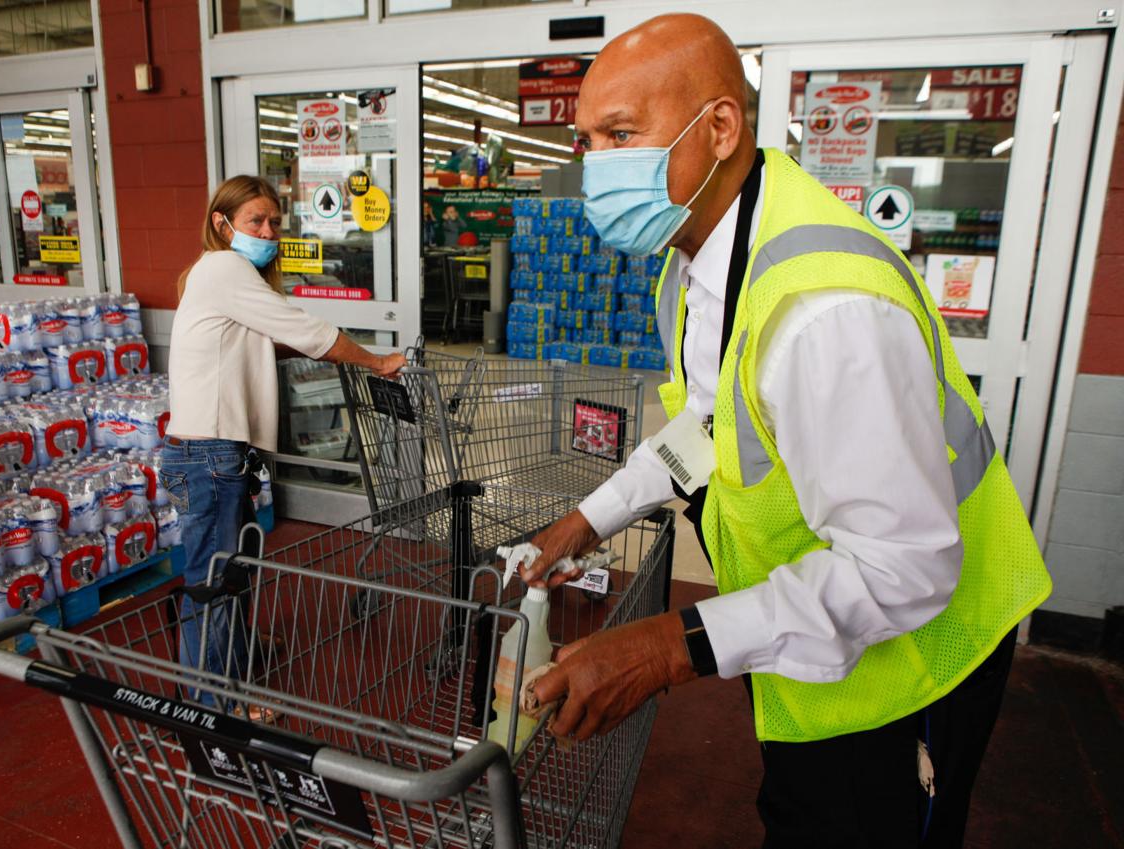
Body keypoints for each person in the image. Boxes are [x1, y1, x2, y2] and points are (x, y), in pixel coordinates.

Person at [519, 14, 1051, 849]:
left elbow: (904, 566)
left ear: (721, 127)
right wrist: (591, 517)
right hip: (815, 639)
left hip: (915, 666)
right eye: (588, 140)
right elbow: (712, 423)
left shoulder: (825, 312)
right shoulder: (697, 260)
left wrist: (668, 646)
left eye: (622, 134)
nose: (597, 168)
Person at [163, 174, 406, 708]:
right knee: (214, 580)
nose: (268, 231)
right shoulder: (225, 267)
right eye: (256, 221)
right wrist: (376, 361)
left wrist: (311, 352)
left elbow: (255, 346)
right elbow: (304, 328)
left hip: (213, 453)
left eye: (274, 222)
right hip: (209, 454)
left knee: (230, 569)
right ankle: (211, 709)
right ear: (222, 224)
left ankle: (234, 661)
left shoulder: (218, 275)